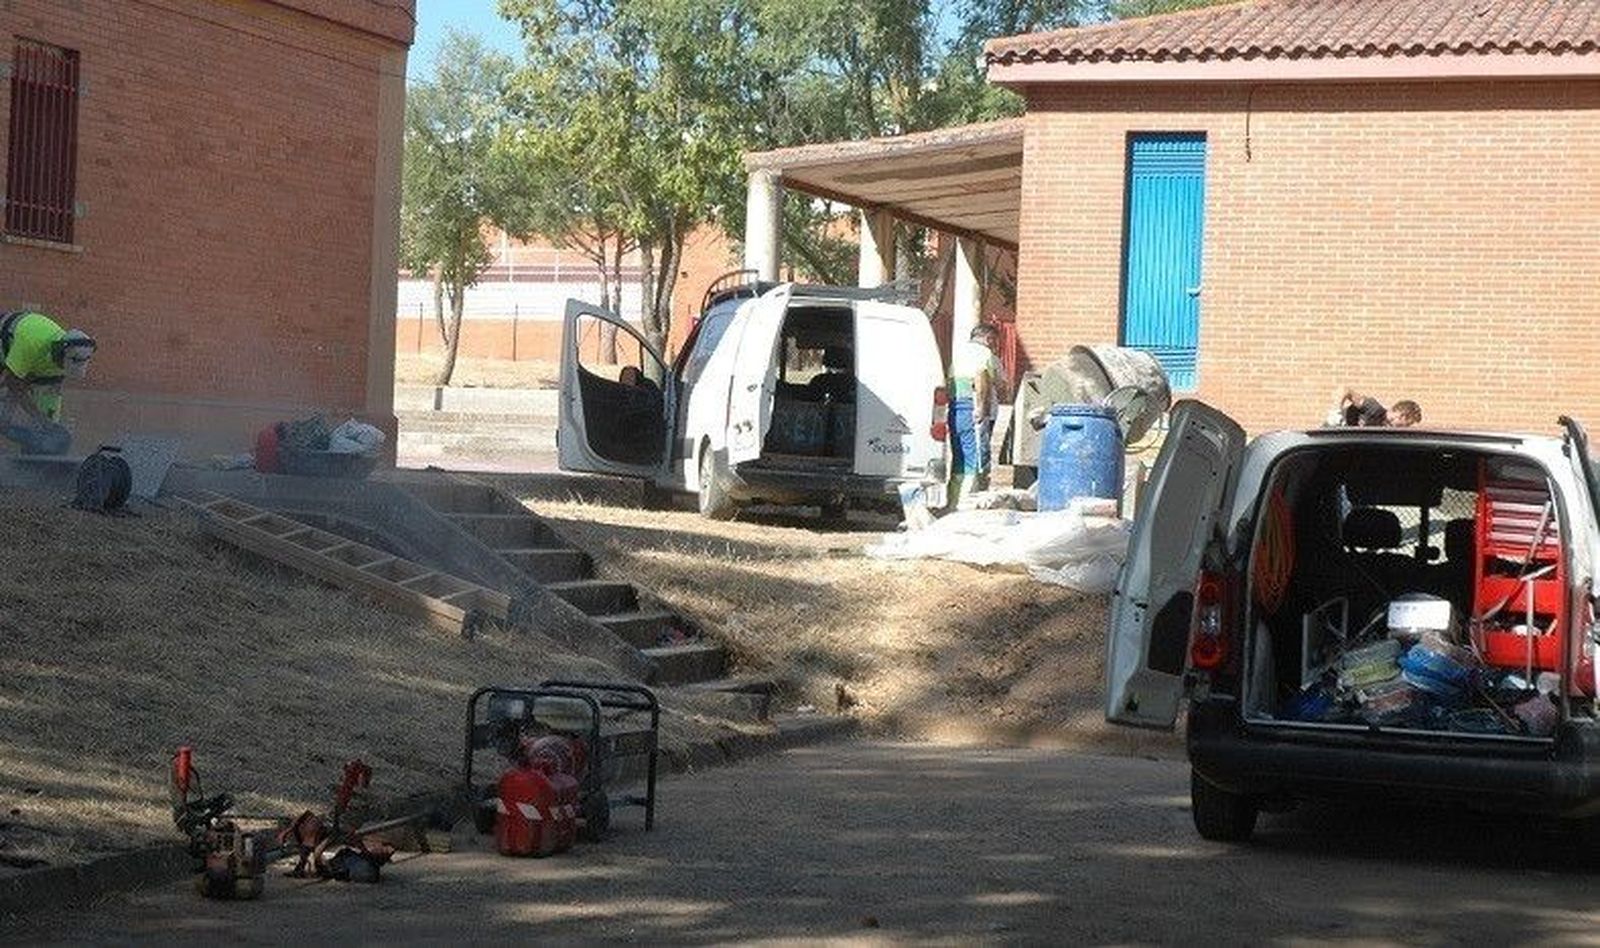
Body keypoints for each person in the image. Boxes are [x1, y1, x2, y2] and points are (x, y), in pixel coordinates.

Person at [0, 309, 95, 455]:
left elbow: (51, 394)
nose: (64, 371)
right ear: (60, 353)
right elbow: (12, 382)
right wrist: (37, 417)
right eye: (65, 366)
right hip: (6, 339)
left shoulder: (66, 353)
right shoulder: (32, 342)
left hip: (24, 359)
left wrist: (50, 427)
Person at [949, 322, 1004, 503]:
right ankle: (969, 502)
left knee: (959, 456)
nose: (993, 345)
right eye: (993, 340)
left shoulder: (958, 353)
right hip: (973, 407)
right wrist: (981, 408)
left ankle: (953, 500)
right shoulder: (983, 354)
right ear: (988, 338)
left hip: (956, 406)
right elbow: (981, 379)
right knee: (977, 457)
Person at [1330, 387, 1421, 428]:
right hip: (1329, 437)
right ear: (1402, 416)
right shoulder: (1374, 409)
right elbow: (1344, 390)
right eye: (1407, 424)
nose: (1405, 428)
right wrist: (1335, 413)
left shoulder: (1383, 427)